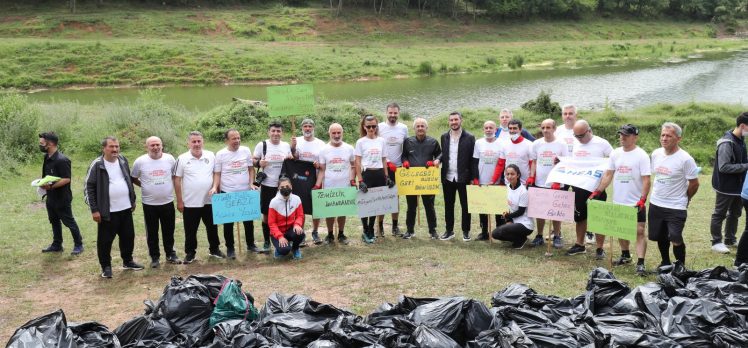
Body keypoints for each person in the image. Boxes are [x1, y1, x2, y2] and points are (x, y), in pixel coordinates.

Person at [591, 125, 651, 275]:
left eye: (626, 135)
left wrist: (643, 199)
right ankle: (625, 255)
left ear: (635, 137)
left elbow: (646, 180)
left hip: (636, 202)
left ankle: (641, 263)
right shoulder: (615, 154)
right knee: (621, 230)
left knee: (639, 231)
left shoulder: (641, 155)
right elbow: (608, 174)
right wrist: (597, 191)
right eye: (620, 135)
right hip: (619, 200)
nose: (622, 137)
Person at [85, 136, 143, 278]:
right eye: (111, 147)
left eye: (117, 146)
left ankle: (128, 261)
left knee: (128, 237)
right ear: (104, 148)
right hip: (107, 211)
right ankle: (106, 267)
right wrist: (94, 210)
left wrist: (132, 200)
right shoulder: (97, 165)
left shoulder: (123, 160)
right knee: (105, 241)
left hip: (125, 208)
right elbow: (89, 187)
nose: (115, 149)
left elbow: (128, 180)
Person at [649, 122, 699, 269]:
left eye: (668, 136)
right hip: (656, 202)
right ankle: (665, 262)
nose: (664, 138)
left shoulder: (686, 159)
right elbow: (656, 175)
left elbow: (694, 183)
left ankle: (680, 267)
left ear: (678, 138)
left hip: (676, 205)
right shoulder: (656, 153)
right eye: (662, 135)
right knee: (660, 236)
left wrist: (686, 198)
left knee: (675, 237)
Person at [565, 120, 613, 258]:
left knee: (599, 217)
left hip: (597, 187)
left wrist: (606, 173)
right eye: (576, 136)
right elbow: (570, 161)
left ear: (589, 131)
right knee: (579, 217)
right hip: (579, 185)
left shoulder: (602, 143)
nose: (579, 139)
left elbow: (614, 158)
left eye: (581, 135)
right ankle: (580, 244)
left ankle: (599, 248)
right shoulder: (574, 143)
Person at [131, 136, 180, 268]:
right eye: (152, 145)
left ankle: (170, 254)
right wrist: (144, 185)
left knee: (169, 230)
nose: (155, 147)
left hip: (168, 201)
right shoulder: (140, 161)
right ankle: (154, 257)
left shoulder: (170, 159)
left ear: (162, 145)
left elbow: (175, 176)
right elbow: (133, 177)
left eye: (157, 144)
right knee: (152, 232)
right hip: (149, 204)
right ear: (147, 147)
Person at [174, 131, 221, 264]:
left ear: (203, 141)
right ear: (188, 143)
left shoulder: (211, 155)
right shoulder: (182, 158)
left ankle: (214, 249)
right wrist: (179, 200)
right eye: (193, 141)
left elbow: (216, 173)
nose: (196, 144)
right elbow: (177, 179)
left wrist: (214, 187)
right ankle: (190, 253)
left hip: (209, 200)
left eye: (199, 141)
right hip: (190, 202)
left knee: (212, 226)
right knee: (190, 230)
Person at [213, 129, 258, 258]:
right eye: (233, 139)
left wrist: (251, 183)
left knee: (248, 220)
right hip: (228, 192)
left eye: (238, 138)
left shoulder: (245, 150)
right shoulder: (221, 154)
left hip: (245, 191)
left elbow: (251, 169)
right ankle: (230, 248)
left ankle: (251, 244)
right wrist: (215, 187)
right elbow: (217, 173)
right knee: (228, 223)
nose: (237, 141)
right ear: (227, 140)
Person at [38, 132, 84, 255]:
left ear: (51, 143)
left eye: (42, 143)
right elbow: (46, 176)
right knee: (54, 220)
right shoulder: (46, 157)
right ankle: (57, 244)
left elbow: (67, 179)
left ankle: (79, 244)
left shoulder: (62, 160)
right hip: (51, 197)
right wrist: (41, 183)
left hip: (62, 197)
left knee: (69, 221)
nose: (40, 145)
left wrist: (51, 186)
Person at [710, 112, 748, 254]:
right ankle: (716, 242)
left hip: (738, 185)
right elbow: (724, 167)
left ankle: (730, 239)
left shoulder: (740, 139)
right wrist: (746, 165)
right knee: (719, 213)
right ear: (743, 126)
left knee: (735, 213)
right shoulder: (727, 143)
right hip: (725, 186)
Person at [527, 119, 569, 248]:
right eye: (543, 127)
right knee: (540, 211)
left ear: (554, 129)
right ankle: (539, 235)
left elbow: (565, 162)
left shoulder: (561, 144)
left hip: (556, 183)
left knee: (556, 211)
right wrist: (532, 177)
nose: (545, 130)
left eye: (548, 127)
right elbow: (534, 162)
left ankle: (556, 235)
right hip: (540, 182)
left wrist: (558, 180)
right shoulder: (536, 144)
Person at [254, 122, 294, 252]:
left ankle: (285, 238)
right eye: (273, 131)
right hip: (267, 185)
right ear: (269, 132)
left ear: (282, 133)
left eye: (278, 131)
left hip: (283, 186)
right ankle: (267, 241)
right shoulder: (262, 145)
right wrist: (259, 162)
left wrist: (290, 157)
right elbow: (253, 160)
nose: (276, 133)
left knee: (286, 213)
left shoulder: (286, 145)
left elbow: (290, 159)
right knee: (266, 215)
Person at [315, 123, 356, 245]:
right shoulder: (323, 150)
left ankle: (341, 234)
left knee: (342, 210)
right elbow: (322, 169)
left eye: (339, 133)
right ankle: (330, 234)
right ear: (329, 133)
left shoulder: (349, 148)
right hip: (329, 185)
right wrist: (317, 185)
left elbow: (354, 166)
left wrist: (352, 180)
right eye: (334, 133)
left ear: (342, 133)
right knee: (330, 211)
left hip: (344, 185)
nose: (336, 135)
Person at [401, 117, 442, 239]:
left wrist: (435, 161)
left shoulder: (433, 141)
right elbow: (404, 156)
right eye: (417, 126)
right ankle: (410, 230)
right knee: (411, 206)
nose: (420, 128)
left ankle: (432, 230)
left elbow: (440, 154)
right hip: (412, 180)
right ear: (414, 128)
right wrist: (405, 162)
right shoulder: (408, 142)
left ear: (426, 128)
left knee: (429, 205)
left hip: (427, 180)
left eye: (422, 126)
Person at [355, 115, 393, 244]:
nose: (371, 129)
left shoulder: (381, 141)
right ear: (364, 127)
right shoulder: (361, 142)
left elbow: (384, 160)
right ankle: (365, 230)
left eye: (374, 126)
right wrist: (360, 180)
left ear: (377, 126)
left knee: (375, 204)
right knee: (365, 203)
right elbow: (358, 162)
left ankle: (371, 228)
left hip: (379, 174)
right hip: (367, 174)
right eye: (368, 126)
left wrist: (387, 176)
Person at [439, 111, 476, 241]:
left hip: (463, 177)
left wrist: (473, 177)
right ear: (448, 122)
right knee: (448, 205)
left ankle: (466, 231)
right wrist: (438, 159)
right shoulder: (444, 137)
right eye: (451, 120)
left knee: (465, 205)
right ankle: (449, 231)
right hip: (448, 177)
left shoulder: (470, 137)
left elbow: (473, 159)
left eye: (456, 120)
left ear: (461, 120)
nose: (454, 122)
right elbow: (443, 153)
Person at [291, 118, 326, 244]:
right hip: (300, 179)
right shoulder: (297, 141)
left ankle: (315, 232)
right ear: (302, 128)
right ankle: (301, 233)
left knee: (316, 207)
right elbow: (294, 158)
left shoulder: (321, 144)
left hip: (316, 179)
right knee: (300, 207)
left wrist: (318, 166)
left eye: (310, 126)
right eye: (305, 126)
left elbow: (323, 165)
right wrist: (293, 148)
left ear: (313, 128)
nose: (307, 128)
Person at [378, 102, 409, 237]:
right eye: (390, 113)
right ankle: (380, 226)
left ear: (398, 113)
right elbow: (376, 147)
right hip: (382, 167)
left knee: (395, 198)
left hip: (398, 169)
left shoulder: (403, 128)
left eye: (395, 113)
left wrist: (405, 161)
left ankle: (395, 226)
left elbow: (407, 147)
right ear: (386, 113)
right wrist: (387, 162)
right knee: (381, 197)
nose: (392, 115)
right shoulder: (379, 127)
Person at [491, 164, 534, 249]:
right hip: (514, 221)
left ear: (518, 175)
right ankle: (520, 238)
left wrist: (508, 217)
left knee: (501, 231)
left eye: (512, 174)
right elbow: (506, 207)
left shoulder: (523, 191)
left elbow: (521, 211)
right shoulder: (506, 188)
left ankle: (520, 240)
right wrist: (509, 220)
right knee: (495, 234)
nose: (510, 176)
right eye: (507, 174)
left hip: (525, 224)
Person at [472, 121, 502, 241]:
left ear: (495, 130)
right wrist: (475, 178)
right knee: (483, 208)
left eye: (491, 128)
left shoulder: (501, 143)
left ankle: (499, 231)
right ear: (483, 129)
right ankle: (484, 232)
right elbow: (474, 161)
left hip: (497, 181)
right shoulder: (478, 143)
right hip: (482, 181)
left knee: (498, 208)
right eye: (486, 128)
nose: (488, 130)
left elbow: (503, 162)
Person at [268, 177, 306, 260]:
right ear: (278, 188)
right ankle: (279, 250)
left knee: (300, 234)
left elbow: (300, 215)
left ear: (291, 186)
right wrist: (280, 236)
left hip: (290, 230)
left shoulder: (297, 199)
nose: (285, 189)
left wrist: (297, 224)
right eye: (282, 187)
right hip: (277, 233)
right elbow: (271, 223)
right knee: (285, 250)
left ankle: (295, 249)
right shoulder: (273, 202)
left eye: (287, 186)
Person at [491, 119, 532, 185]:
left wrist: (532, 178)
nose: (512, 131)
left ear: (520, 129)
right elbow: (500, 164)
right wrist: (493, 180)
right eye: (510, 128)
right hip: (508, 183)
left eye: (515, 128)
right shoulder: (504, 144)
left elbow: (532, 164)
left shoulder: (529, 144)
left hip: (524, 183)